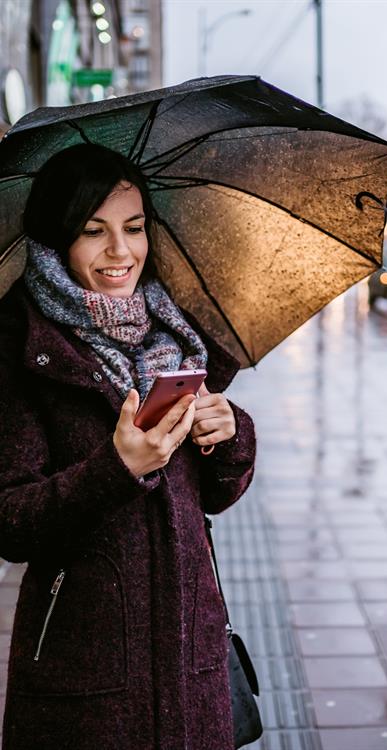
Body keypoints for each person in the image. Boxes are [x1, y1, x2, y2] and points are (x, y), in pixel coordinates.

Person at [0, 143, 256, 749]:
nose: (122, 252)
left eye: (135, 228)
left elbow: (214, 498)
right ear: (57, 239)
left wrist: (228, 432)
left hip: (192, 663)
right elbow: (10, 523)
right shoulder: (23, 349)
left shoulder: (177, 334)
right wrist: (116, 469)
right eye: (94, 232)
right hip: (86, 679)